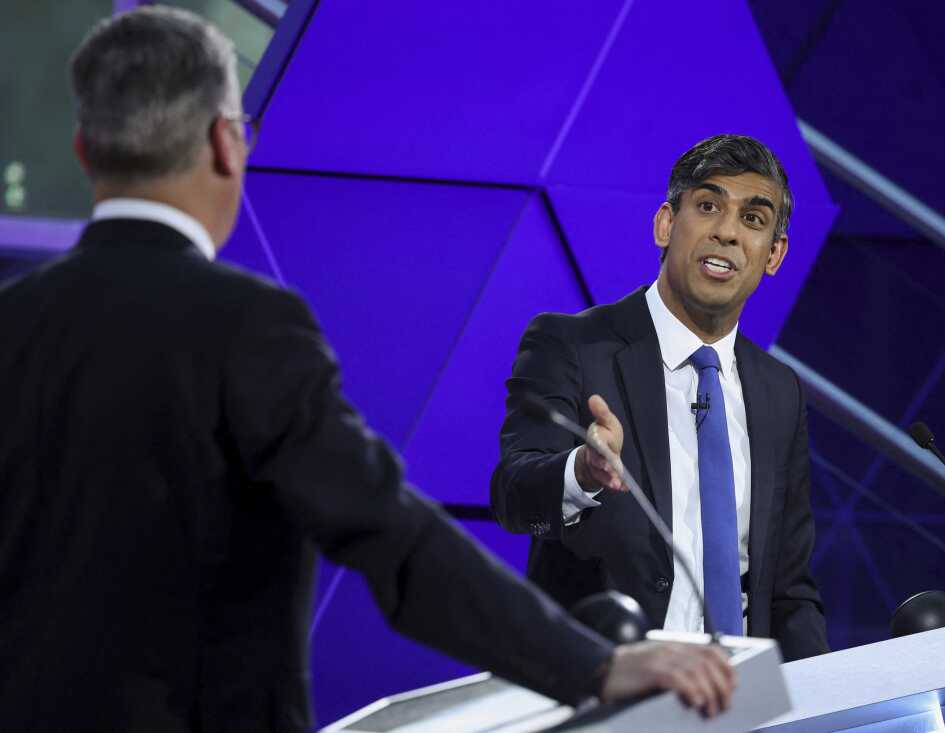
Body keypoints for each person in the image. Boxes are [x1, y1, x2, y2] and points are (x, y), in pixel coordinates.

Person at [0, 8, 735, 731]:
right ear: (226, 143)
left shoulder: (13, 324)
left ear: (84, 149)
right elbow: (391, 536)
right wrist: (595, 664)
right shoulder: (248, 325)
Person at [491, 134, 828, 662]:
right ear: (666, 224)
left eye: (753, 220)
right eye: (708, 207)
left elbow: (788, 589)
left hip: (740, 704)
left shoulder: (778, 391)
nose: (726, 233)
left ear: (774, 255)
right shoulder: (575, 346)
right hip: (606, 684)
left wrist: (822, 707)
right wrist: (580, 471)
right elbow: (512, 497)